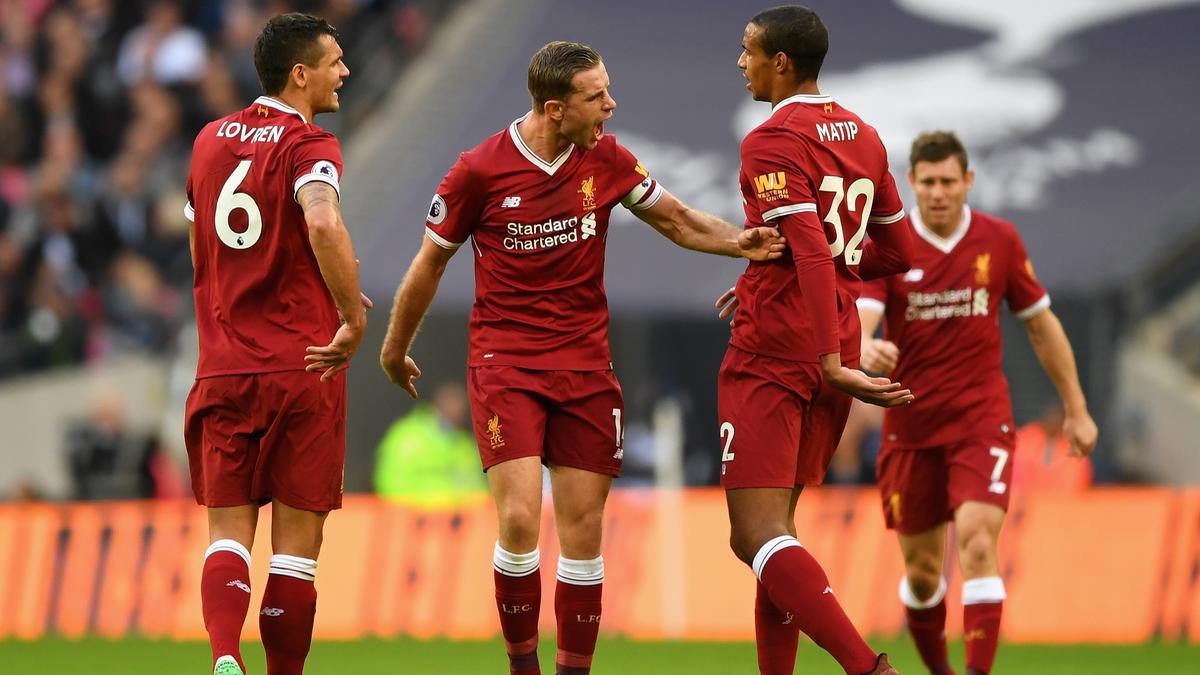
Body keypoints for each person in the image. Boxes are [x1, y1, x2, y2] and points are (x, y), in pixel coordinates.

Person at [379, 40, 785, 675]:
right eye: (597, 97)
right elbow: (430, 263)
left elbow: (677, 220)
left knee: (583, 534)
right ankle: (523, 666)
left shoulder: (608, 160)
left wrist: (742, 243)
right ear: (555, 109)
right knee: (520, 518)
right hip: (506, 363)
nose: (611, 106)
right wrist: (394, 348)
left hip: (586, 369)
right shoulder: (479, 171)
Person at [713, 6, 915, 675]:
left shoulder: (770, 139)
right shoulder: (864, 135)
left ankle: (870, 669)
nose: (740, 62)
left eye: (748, 51)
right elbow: (898, 251)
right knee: (780, 536)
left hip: (779, 345)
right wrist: (822, 282)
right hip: (836, 334)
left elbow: (806, 247)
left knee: (754, 535)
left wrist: (826, 354)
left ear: (781, 62)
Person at [856, 131, 1098, 675]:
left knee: (978, 543)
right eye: (928, 182)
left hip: (979, 421)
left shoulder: (999, 240)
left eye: (948, 181)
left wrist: (1076, 408)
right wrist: (864, 345)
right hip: (910, 429)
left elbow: (1041, 326)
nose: (938, 192)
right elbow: (862, 319)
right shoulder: (889, 246)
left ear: (967, 181)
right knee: (923, 576)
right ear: (911, 183)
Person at [182, 13, 367, 675]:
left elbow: (202, 243)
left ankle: (224, 655)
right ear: (300, 74)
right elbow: (322, 221)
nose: (344, 71)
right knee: (294, 552)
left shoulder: (208, 141)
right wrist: (349, 312)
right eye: (334, 61)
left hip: (224, 365)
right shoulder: (310, 144)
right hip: (303, 363)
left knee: (227, 535)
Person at [373, 380, 488, 508]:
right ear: (436, 403)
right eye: (450, 400)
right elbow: (390, 484)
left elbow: (478, 490)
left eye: (461, 403)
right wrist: (433, 506)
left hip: (457, 518)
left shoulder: (466, 445)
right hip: (416, 517)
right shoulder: (406, 436)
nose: (456, 408)